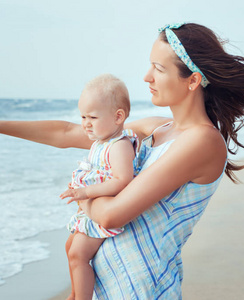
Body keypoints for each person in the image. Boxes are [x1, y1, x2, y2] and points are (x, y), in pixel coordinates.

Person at [0, 22, 244, 299]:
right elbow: (69, 134)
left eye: (159, 69)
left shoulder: (202, 143)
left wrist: (82, 193)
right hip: (106, 286)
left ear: (192, 80)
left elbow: (112, 216)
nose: (146, 76)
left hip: (140, 289)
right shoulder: (154, 128)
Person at [59, 74, 138, 300]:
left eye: (93, 117)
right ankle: (75, 294)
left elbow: (123, 180)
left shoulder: (119, 146)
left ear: (118, 117)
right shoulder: (99, 143)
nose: (86, 123)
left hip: (105, 211)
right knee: (69, 247)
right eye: (83, 116)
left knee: (78, 254)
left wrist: (85, 193)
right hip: (90, 212)